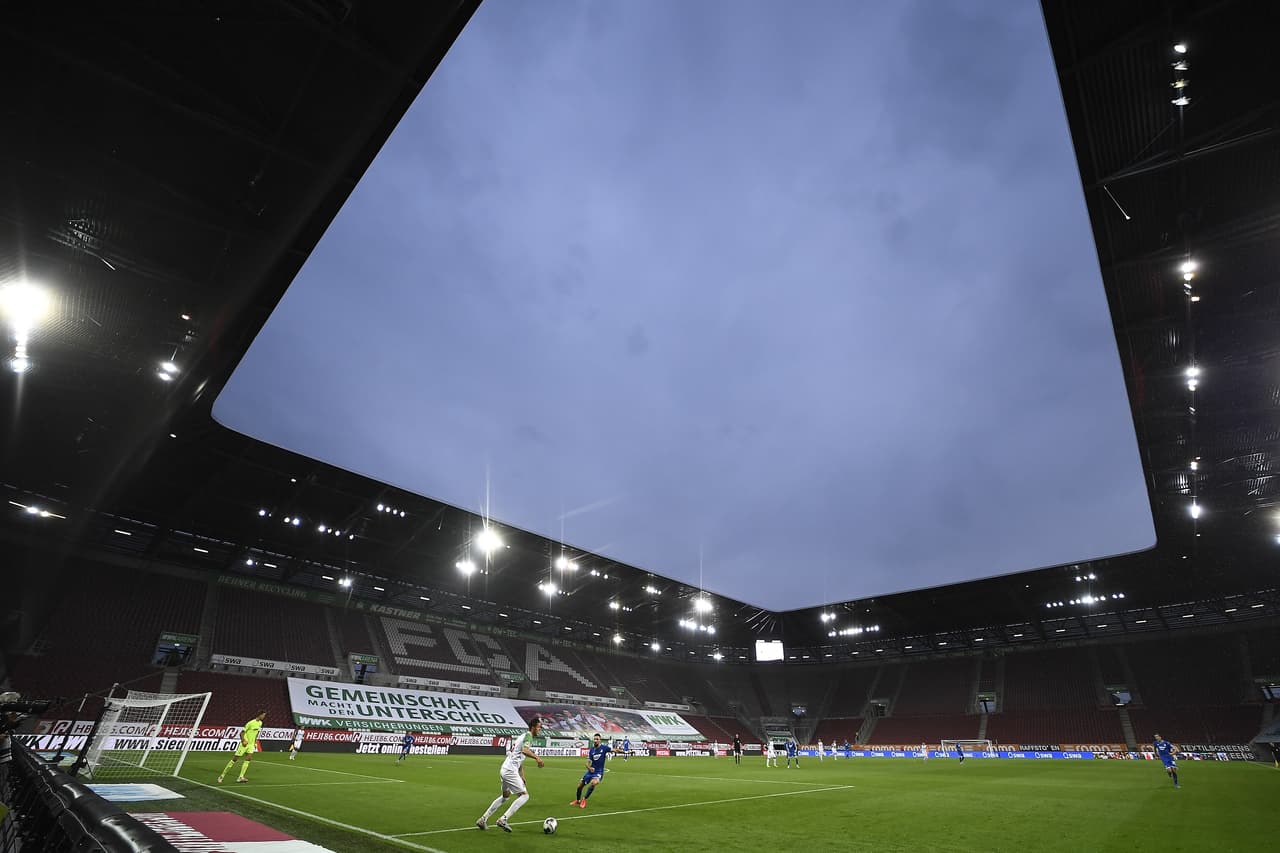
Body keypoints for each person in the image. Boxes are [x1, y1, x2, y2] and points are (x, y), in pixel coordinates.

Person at [477, 717, 544, 832]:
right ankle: (503, 819)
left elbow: (518, 758)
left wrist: (522, 775)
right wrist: (537, 758)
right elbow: (525, 751)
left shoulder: (522, 736)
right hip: (510, 771)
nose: (540, 730)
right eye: (539, 727)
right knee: (525, 796)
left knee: (505, 796)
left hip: (505, 769)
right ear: (533, 727)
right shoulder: (528, 736)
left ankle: (483, 819)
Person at [571, 733, 627, 808]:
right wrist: (589, 768)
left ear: (600, 740)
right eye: (594, 739)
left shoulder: (604, 748)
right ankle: (578, 801)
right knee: (579, 786)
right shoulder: (592, 750)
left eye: (597, 739)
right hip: (590, 772)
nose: (595, 740)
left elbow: (615, 750)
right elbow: (587, 764)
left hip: (599, 772)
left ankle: (584, 799)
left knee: (593, 783)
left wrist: (625, 752)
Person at [219, 709, 266, 784]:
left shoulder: (260, 723)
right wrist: (243, 740)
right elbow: (241, 733)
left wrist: (255, 742)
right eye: (263, 715)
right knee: (234, 760)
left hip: (251, 745)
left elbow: (256, 733)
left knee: (248, 759)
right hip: (245, 744)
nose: (264, 716)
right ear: (259, 715)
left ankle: (240, 777)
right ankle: (222, 776)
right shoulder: (250, 723)